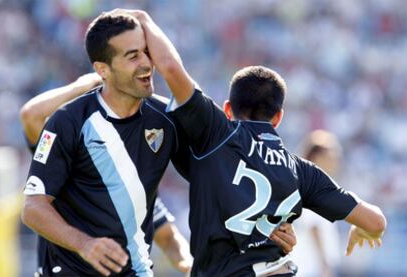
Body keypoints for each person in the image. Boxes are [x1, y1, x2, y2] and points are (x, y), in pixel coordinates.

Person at [21, 10, 296, 276]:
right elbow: (33, 208)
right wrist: (85, 244)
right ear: (103, 70)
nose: (145, 63)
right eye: (132, 56)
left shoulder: (166, 119)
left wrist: (268, 220)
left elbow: (222, 174)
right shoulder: (69, 121)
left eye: (146, 52)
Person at [129, 9, 386, 276]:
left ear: (228, 109)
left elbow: (170, 67)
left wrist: (143, 20)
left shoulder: (218, 133)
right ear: (278, 117)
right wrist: (362, 227)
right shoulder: (302, 170)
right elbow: (376, 220)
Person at [19, 72, 192, 274]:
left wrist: (190, 265)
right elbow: (31, 116)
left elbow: (169, 239)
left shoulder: (135, 187)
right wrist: (81, 87)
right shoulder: (64, 143)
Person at [291, 130, 344, 277]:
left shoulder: (310, 184)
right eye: (331, 155)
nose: (335, 160)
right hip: (311, 269)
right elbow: (314, 226)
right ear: (317, 157)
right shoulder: (312, 187)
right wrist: (325, 266)